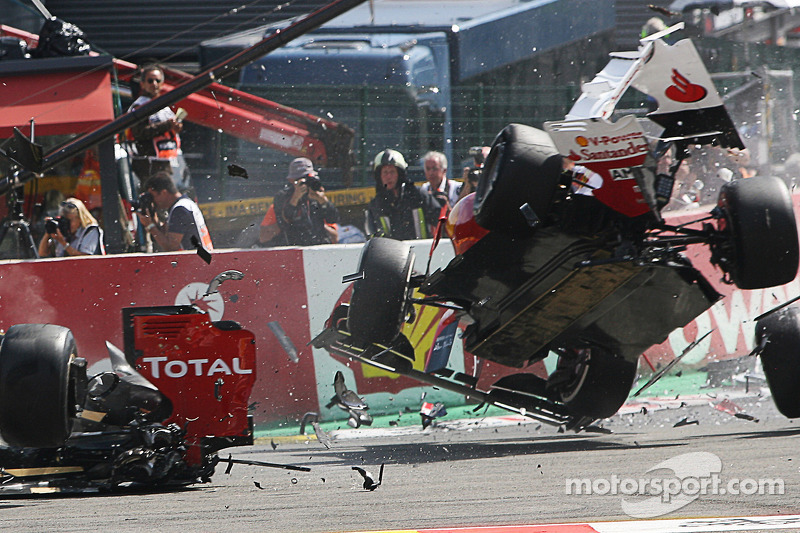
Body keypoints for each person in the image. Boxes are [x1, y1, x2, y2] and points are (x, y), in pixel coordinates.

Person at [127, 64, 189, 189]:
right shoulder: (139, 106)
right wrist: (167, 125)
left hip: (168, 162)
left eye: (157, 80)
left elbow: (170, 130)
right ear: (142, 83)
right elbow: (139, 133)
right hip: (148, 164)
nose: (154, 84)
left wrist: (176, 127)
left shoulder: (164, 106)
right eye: (150, 81)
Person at [366, 149, 442, 240]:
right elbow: (372, 238)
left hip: (422, 251)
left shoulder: (418, 195)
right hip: (392, 253)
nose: (389, 177)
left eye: (392, 172)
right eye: (385, 172)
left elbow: (441, 222)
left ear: (400, 174)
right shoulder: (375, 205)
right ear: (379, 176)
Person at [137, 171, 213, 252]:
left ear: (164, 193)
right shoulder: (185, 204)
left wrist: (150, 226)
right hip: (201, 258)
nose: (153, 201)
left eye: (153, 196)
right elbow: (167, 234)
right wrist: (154, 220)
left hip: (196, 261)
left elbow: (171, 247)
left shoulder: (180, 210)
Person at [272, 157, 339, 246]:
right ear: (291, 180)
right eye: (301, 179)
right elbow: (284, 223)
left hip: (319, 246)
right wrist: (295, 198)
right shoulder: (283, 196)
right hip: (296, 247)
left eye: (308, 178)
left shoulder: (316, 192)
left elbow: (333, 219)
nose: (306, 183)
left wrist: (323, 201)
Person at [38, 197, 105, 257]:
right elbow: (42, 253)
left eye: (69, 221)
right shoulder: (61, 231)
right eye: (64, 220)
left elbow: (85, 259)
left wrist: (63, 243)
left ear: (80, 218)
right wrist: (49, 231)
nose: (66, 224)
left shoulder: (91, 230)